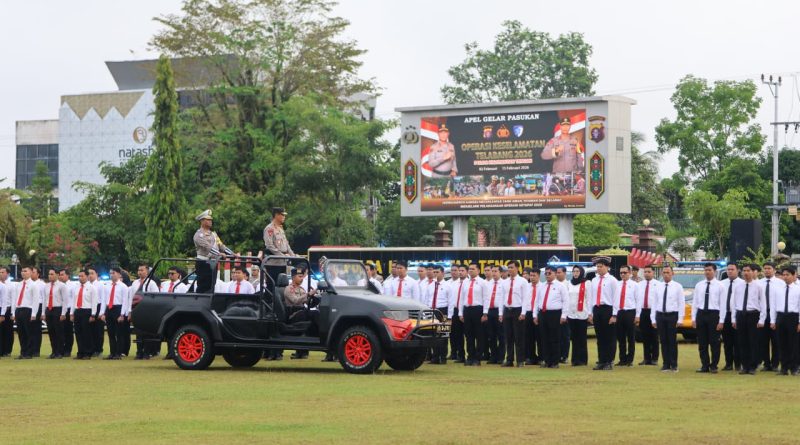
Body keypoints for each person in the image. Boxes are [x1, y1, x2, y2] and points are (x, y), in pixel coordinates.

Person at [732, 263, 768, 375]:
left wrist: (762, 320)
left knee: (753, 341)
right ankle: (744, 366)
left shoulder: (758, 286)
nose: (746, 273)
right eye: (744, 271)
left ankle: (752, 366)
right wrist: (734, 318)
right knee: (742, 342)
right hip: (741, 315)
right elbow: (734, 303)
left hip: (753, 315)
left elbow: (763, 304)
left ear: (753, 272)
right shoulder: (738, 286)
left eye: (748, 271)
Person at [690, 263, 725, 373]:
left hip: (714, 314)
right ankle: (704, 365)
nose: (707, 272)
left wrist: (721, 321)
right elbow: (695, 302)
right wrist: (693, 318)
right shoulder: (699, 285)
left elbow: (723, 304)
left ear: (714, 271)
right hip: (701, 314)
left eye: (709, 270)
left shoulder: (720, 286)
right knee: (702, 342)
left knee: (714, 342)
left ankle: (714, 365)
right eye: (705, 270)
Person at [533, 266, 568, 368]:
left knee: (555, 338)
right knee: (544, 338)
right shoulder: (542, 286)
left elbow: (566, 301)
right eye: (546, 273)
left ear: (555, 273)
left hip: (555, 314)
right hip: (543, 314)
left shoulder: (560, 286)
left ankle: (555, 361)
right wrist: (535, 315)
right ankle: (547, 360)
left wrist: (564, 315)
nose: (547, 275)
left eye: (549, 273)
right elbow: (537, 301)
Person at [651, 265, 684, 372]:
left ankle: (674, 364)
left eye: (668, 272)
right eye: (664, 272)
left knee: (672, 341)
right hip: (660, 315)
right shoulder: (658, 286)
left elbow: (681, 303)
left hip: (672, 315)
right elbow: (654, 303)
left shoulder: (677, 286)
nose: (666, 274)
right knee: (663, 340)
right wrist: (653, 319)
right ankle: (666, 364)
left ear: (672, 273)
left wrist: (680, 319)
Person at [193, 209, 233, 294]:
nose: (211, 221)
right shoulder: (199, 235)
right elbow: (208, 247)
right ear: (202, 221)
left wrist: (232, 254)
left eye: (211, 219)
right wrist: (219, 254)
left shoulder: (213, 234)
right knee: (203, 285)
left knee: (212, 285)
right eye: (208, 220)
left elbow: (221, 246)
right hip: (204, 262)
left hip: (213, 262)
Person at [590, 256, 618, 370]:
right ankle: (601, 360)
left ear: (607, 267)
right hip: (597, 309)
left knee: (609, 337)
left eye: (601, 266)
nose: (599, 269)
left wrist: (614, 315)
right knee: (600, 337)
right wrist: (590, 313)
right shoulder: (594, 280)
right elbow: (591, 297)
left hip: (608, 309)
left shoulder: (612, 280)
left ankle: (609, 361)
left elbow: (615, 298)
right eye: (597, 267)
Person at [459, 262, 489, 366]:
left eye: (473, 269)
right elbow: (462, 299)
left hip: (478, 310)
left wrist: (485, 313)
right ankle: (470, 357)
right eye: (469, 269)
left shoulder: (482, 282)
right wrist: (460, 313)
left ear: (478, 270)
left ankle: (477, 358)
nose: (471, 271)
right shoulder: (465, 282)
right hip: (467, 309)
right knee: (468, 335)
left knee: (479, 335)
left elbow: (486, 298)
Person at [771, 266, 800, 375]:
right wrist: (773, 321)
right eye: (784, 275)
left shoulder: (798, 289)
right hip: (781, 317)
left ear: (793, 276)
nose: (785, 277)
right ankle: (784, 367)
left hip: (793, 317)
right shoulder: (778, 289)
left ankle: (794, 367)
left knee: (793, 344)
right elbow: (773, 305)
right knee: (781, 343)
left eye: (788, 275)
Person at [129, 263, 160, 360]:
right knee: (138, 332)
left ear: (147, 272)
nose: (140, 272)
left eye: (142, 270)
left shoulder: (151, 283)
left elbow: (156, 297)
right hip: (136, 310)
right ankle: (139, 352)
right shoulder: (135, 283)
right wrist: (130, 311)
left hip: (147, 311)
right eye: (139, 270)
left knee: (147, 332)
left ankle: (147, 352)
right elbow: (131, 298)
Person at [758, 262, 784, 371]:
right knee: (763, 341)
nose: (767, 270)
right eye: (765, 268)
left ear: (774, 270)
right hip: (762, 314)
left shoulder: (780, 283)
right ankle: (766, 364)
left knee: (776, 341)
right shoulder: (759, 283)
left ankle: (775, 364)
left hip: (776, 315)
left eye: (769, 268)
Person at [100, 267, 129, 360]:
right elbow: (104, 300)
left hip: (118, 308)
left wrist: (122, 314)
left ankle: (118, 353)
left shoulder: (123, 286)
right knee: (111, 333)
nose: (112, 275)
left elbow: (125, 301)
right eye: (111, 273)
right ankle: (112, 352)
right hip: (109, 308)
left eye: (114, 273)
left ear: (119, 274)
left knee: (119, 333)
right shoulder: (106, 285)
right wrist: (102, 313)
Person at [69, 270, 98, 360]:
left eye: (82, 276)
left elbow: (94, 302)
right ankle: (80, 352)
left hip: (87, 311)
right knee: (78, 333)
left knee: (87, 333)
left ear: (87, 276)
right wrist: (71, 313)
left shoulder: (91, 287)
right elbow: (73, 301)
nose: (80, 278)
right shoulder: (76, 287)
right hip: (78, 311)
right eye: (79, 276)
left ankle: (87, 352)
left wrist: (93, 315)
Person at [635, 265, 660, 366]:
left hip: (654, 312)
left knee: (654, 336)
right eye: (645, 272)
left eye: (649, 272)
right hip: (643, 312)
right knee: (645, 336)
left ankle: (654, 358)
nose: (646, 273)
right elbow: (637, 300)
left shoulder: (658, 284)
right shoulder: (639, 285)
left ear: (653, 273)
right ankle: (646, 358)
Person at [565, 266, 590, 366]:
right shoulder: (569, 283)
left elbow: (588, 299)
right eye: (574, 271)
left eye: (577, 271)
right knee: (574, 338)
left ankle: (582, 359)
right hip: (571, 314)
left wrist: (589, 313)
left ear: (581, 272)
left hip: (582, 313)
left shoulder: (586, 283)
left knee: (582, 338)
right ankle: (575, 360)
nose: (575, 273)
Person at [613, 265, 637, 367]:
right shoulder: (617, 285)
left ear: (630, 273)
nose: (622, 274)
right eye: (621, 273)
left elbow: (638, 301)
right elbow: (614, 300)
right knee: (621, 337)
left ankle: (630, 359)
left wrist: (637, 315)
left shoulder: (635, 285)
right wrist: (614, 314)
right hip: (620, 312)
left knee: (631, 337)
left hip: (630, 312)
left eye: (625, 272)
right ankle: (622, 359)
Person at [721, 263, 743, 371]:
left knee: (738, 341)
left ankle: (738, 364)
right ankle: (728, 363)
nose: (729, 271)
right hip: (724, 315)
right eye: (728, 269)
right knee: (727, 341)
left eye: (732, 269)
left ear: (737, 270)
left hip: (737, 315)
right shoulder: (722, 284)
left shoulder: (742, 284)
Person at [427, 265, 450, 364]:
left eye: (437, 272)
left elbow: (451, 301)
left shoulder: (448, 285)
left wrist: (449, 316)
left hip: (443, 311)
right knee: (433, 334)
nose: (435, 274)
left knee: (443, 334)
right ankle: (435, 357)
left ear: (443, 273)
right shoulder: (431, 285)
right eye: (434, 272)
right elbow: (427, 299)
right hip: (433, 310)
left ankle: (443, 357)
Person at [11, 266, 36, 359]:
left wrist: (33, 314)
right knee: (21, 333)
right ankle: (23, 352)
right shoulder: (19, 284)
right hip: (19, 309)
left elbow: (35, 300)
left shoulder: (33, 285)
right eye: (22, 271)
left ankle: (29, 353)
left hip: (28, 309)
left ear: (30, 273)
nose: (23, 272)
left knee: (28, 332)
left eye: (25, 271)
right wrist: (13, 313)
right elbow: (15, 299)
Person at [44, 268, 68, 359]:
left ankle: (60, 352)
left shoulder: (62, 286)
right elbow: (44, 300)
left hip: (58, 309)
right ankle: (54, 351)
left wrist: (63, 313)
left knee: (59, 332)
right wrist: (44, 313)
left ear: (57, 275)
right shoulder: (46, 286)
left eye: (52, 274)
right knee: (51, 332)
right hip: (49, 309)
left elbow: (65, 300)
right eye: (49, 274)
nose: (50, 276)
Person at [482, 264, 504, 364]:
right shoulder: (487, 284)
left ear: (500, 273)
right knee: (491, 336)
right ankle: (493, 356)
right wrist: (485, 313)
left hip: (500, 312)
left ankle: (501, 357)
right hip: (490, 311)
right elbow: (486, 299)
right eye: (493, 271)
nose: (494, 273)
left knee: (501, 335)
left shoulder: (504, 284)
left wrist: (502, 313)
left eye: (496, 271)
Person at [523, 269, 543, 365]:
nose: (532, 278)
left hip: (539, 313)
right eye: (530, 275)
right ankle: (530, 357)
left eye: (534, 275)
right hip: (528, 313)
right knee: (528, 337)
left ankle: (541, 357)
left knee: (540, 336)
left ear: (538, 276)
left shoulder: (543, 286)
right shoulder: (526, 287)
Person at [448, 265, 466, 363]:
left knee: (462, 334)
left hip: (464, 310)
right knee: (453, 333)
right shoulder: (451, 284)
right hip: (454, 310)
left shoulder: (466, 283)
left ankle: (462, 354)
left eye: (458, 270)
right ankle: (454, 353)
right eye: (453, 270)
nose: (456, 272)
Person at [87, 267, 106, 358]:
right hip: (89, 307)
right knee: (89, 331)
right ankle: (91, 349)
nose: (90, 275)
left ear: (96, 274)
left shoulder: (100, 285)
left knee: (98, 331)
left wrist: (101, 312)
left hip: (98, 307)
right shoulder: (86, 285)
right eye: (89, 274)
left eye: (92, 273)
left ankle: (99, 349)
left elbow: (103, 299)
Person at [58, 269, 76, 357]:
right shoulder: (58, 285)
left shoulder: (72, 285)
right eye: (60, 275)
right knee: (60, 331)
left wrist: (72, 312)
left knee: (68, 331)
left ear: (67, 275)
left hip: (68, 309)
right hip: (59, 309)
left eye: (62, 274)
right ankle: (60, 349)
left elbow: (73, 299)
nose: (60, 276)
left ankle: (68, 350)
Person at [555, 266, 571, 364]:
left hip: (565, 313)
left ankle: (564, 356)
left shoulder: (568, 285)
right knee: (555, 336)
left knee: (565, 336)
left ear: (565, 273)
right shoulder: (553, 284)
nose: (557, 274)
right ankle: (557, 355)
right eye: (556, 272)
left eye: (559, 272)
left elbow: (568, 301)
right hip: (554, 313)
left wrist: (565, 314)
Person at [29, 266, 45, 357]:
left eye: (33, 272)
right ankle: (29, 349)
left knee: (36, 330)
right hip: (29, 307)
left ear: (38, 274)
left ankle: (36, 350)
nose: (31, 274)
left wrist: (42, 312)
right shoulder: (28, 283)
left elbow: (44, 298)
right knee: (29, 329)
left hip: (38, 306)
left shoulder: (42, 284)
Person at [0, 267, 14, 357]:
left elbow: (13, 299)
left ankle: (7, 350)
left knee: (8, 331)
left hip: (7, 309)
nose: (1, 273)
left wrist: (13, 312)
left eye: (2, 272)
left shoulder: (11, 285)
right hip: (1, 308)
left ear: (8, 274)